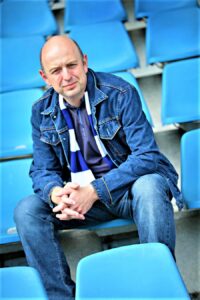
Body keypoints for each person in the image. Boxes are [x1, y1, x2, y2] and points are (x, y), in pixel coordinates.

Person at [15, 35, 184, 300]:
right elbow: (41, 171)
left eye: (71, 65)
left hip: (128, 192)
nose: (67, 76)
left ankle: (157, 287)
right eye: (56, 71)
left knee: (150, 186)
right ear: (45, 77)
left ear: (84, 62)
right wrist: (56, 194)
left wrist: (94, 190)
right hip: (82, 205)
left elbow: (147, 156)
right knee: (28, 210)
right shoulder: (41, 111)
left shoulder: (120, 92)